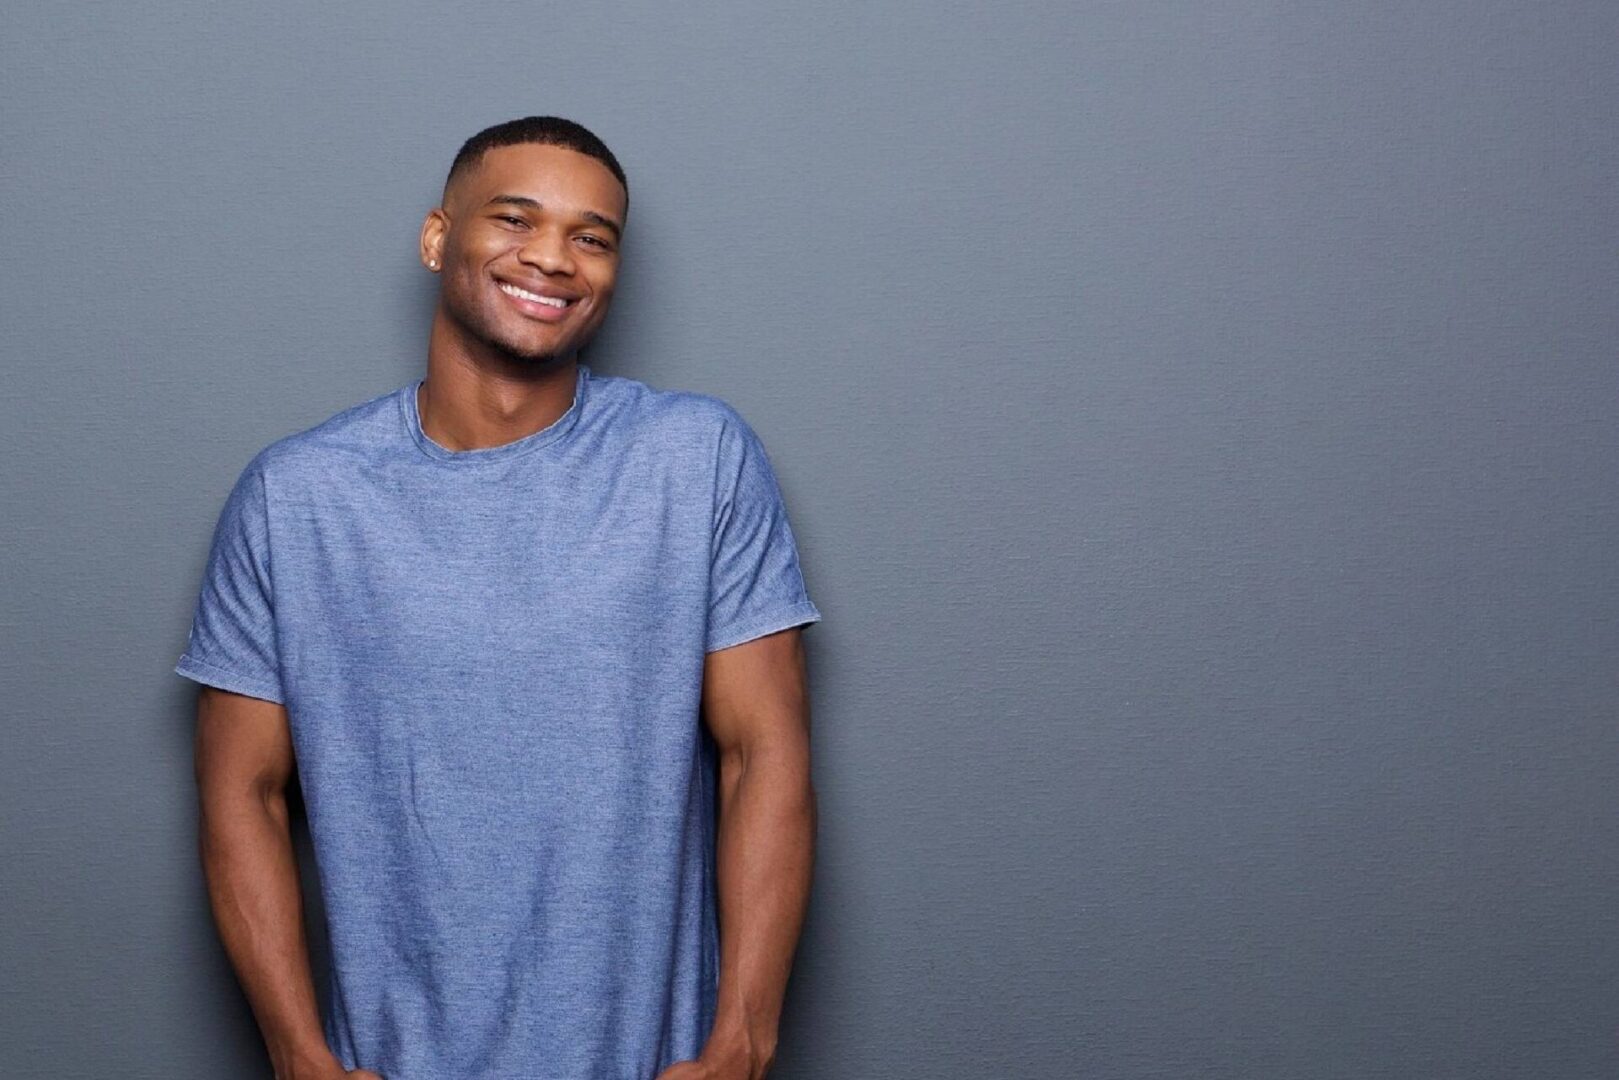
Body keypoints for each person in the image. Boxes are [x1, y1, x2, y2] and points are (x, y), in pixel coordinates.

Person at [177, 116, 822, 1080]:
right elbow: (241, 792)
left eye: (591, 237)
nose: (553, 259)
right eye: (515, 219)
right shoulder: (297, 497)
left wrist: (743, 1042)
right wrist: (298, 1057)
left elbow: (761, 751)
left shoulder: (695, 460)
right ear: (439, 237)